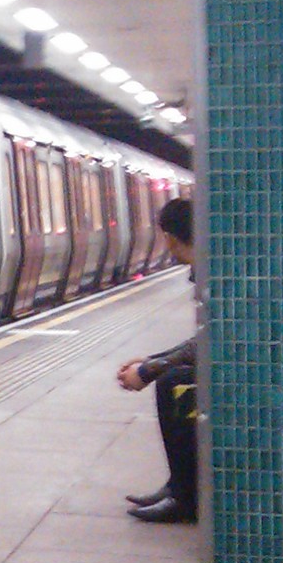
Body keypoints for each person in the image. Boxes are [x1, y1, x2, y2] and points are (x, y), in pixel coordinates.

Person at [117, 197, 197, 522]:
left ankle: (186, 498)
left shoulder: (213, 271)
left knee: (173, 384)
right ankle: (179, 485)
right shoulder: (213, 264)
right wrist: (151, 361)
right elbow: (207, 341)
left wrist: (150, 369)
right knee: (174, 380)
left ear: (169, 238)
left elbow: (210, 342)